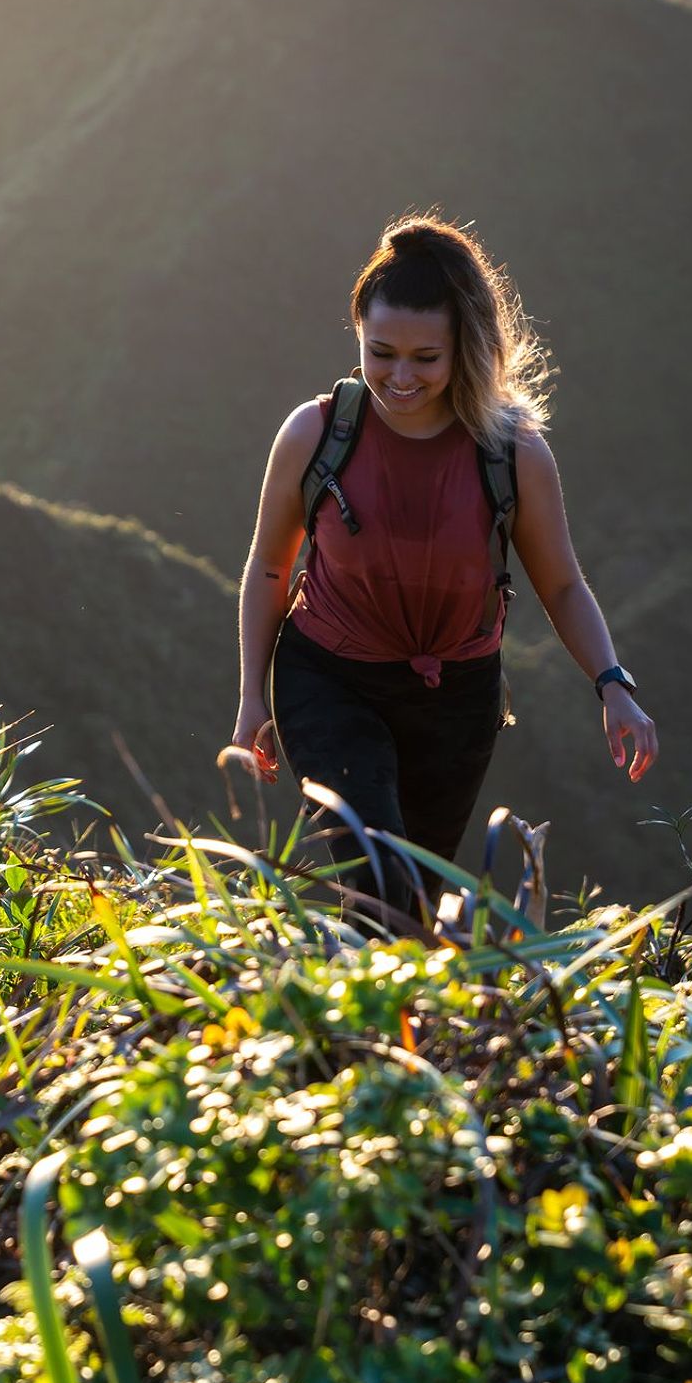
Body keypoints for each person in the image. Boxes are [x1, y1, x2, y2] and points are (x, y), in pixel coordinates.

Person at [227, 213, 658, 926]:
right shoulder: (317, 432)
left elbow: (562, 584)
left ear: (467, 349)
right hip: (327, 677)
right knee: (377, 874)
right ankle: (345, 1024)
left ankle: (384, 1022)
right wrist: (251, 697)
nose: (400, 376)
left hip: (458, 701)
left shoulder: (512, 453)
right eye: (381, 351)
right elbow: (270, 567)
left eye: (426, 358)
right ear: (358, 335)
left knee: (408, 906)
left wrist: (613, 684)